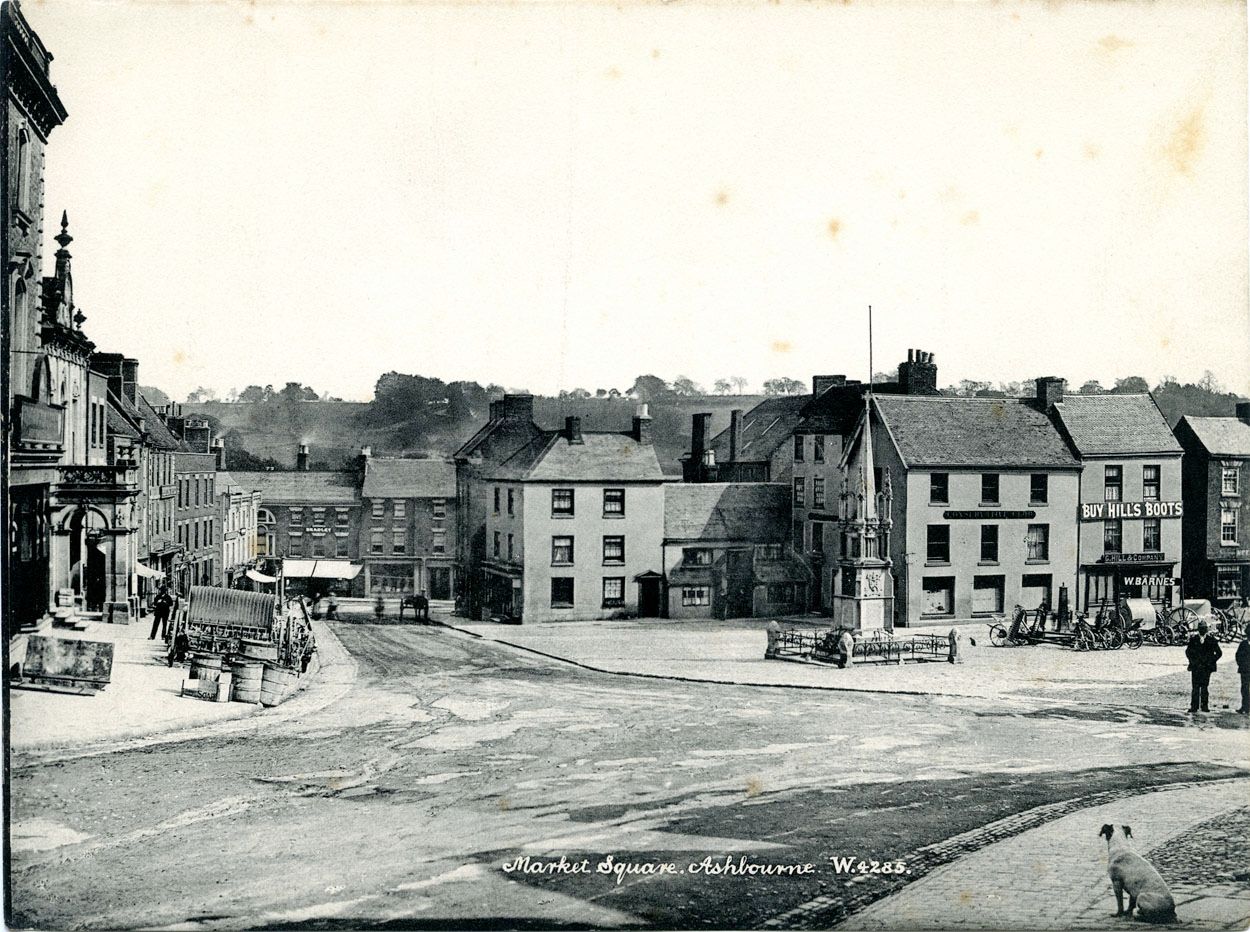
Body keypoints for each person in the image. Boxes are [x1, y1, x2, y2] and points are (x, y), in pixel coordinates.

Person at [1185, 619, 1223, 713]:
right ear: (1198, 629)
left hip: (1206, 668)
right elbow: (1188, 652)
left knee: (1205, 687)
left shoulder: (1211, 640)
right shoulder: (1193, 640)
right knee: (1195, 688)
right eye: (1201, 628)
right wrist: (1193, 661)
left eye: (1204, 628)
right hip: (1196, 667)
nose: (1202, 630)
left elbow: (1219, 653)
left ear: (1206, 629)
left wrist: (1211, 662)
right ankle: (1194, 707)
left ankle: (1204, 706)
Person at [1236, 623, 1250, 716]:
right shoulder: (1243, 644)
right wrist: (1241, 665)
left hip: (1245, 669)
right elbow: (1238, 656)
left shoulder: (1243, 644)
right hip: (1245, 670)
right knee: (1244, 688)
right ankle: (1245, 706)